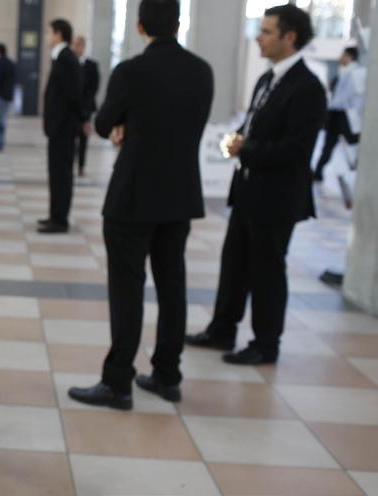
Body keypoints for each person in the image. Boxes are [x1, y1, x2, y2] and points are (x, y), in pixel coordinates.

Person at [67, 0, 213, 410]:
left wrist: (124, 125)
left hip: (133, 196)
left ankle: (118, 382)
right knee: (173, 285)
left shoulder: (131, 71)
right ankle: (168, 375)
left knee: (128, 288)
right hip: (181, 195)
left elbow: (100, 124)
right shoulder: (201, 70)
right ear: (180, 23)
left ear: (140, 25)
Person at [186, 4, 326, 365]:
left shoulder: (307, 88)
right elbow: (255, 127)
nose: (258, 38)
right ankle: (222, 329)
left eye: (266, 32)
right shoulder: (267, 79)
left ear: (289, 37)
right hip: (249, 190)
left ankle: (266, 343)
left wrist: (247, 149)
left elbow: (297, 150)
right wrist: (240, 142)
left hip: (277, 196)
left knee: (267, 269)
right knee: (234, 263)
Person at [38, 19, 83, 234]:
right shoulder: (60, 57)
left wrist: (64, 123)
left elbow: (73, 95)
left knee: (61, 174)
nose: (47, 37)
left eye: (49, 32)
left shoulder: (66, 58)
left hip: (63, 129)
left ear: (58, 34)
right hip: (58, 129)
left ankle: (60, 219)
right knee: (56, 174)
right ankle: (55, 214)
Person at [314, 46, 366, 181]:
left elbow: (353, 97)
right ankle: (318, 173)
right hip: (337, 113)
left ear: (349, 57)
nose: (340, 58)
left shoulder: (357, 73)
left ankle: (359, 168)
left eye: (342, 55)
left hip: (346, 115)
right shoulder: (344, 72)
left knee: (354, 143)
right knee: (329, 144)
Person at [72, 35, 100, 177]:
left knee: (83, 139)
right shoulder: (69, 64)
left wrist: (86, 110)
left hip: (86, 109)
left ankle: (81, 166)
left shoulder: (91, 65)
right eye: (75, 44)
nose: (76, 47)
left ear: (83, 46)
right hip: (71, 109)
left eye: (79, 45)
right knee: (70, 139)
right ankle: (71, 163)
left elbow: (94, 88)